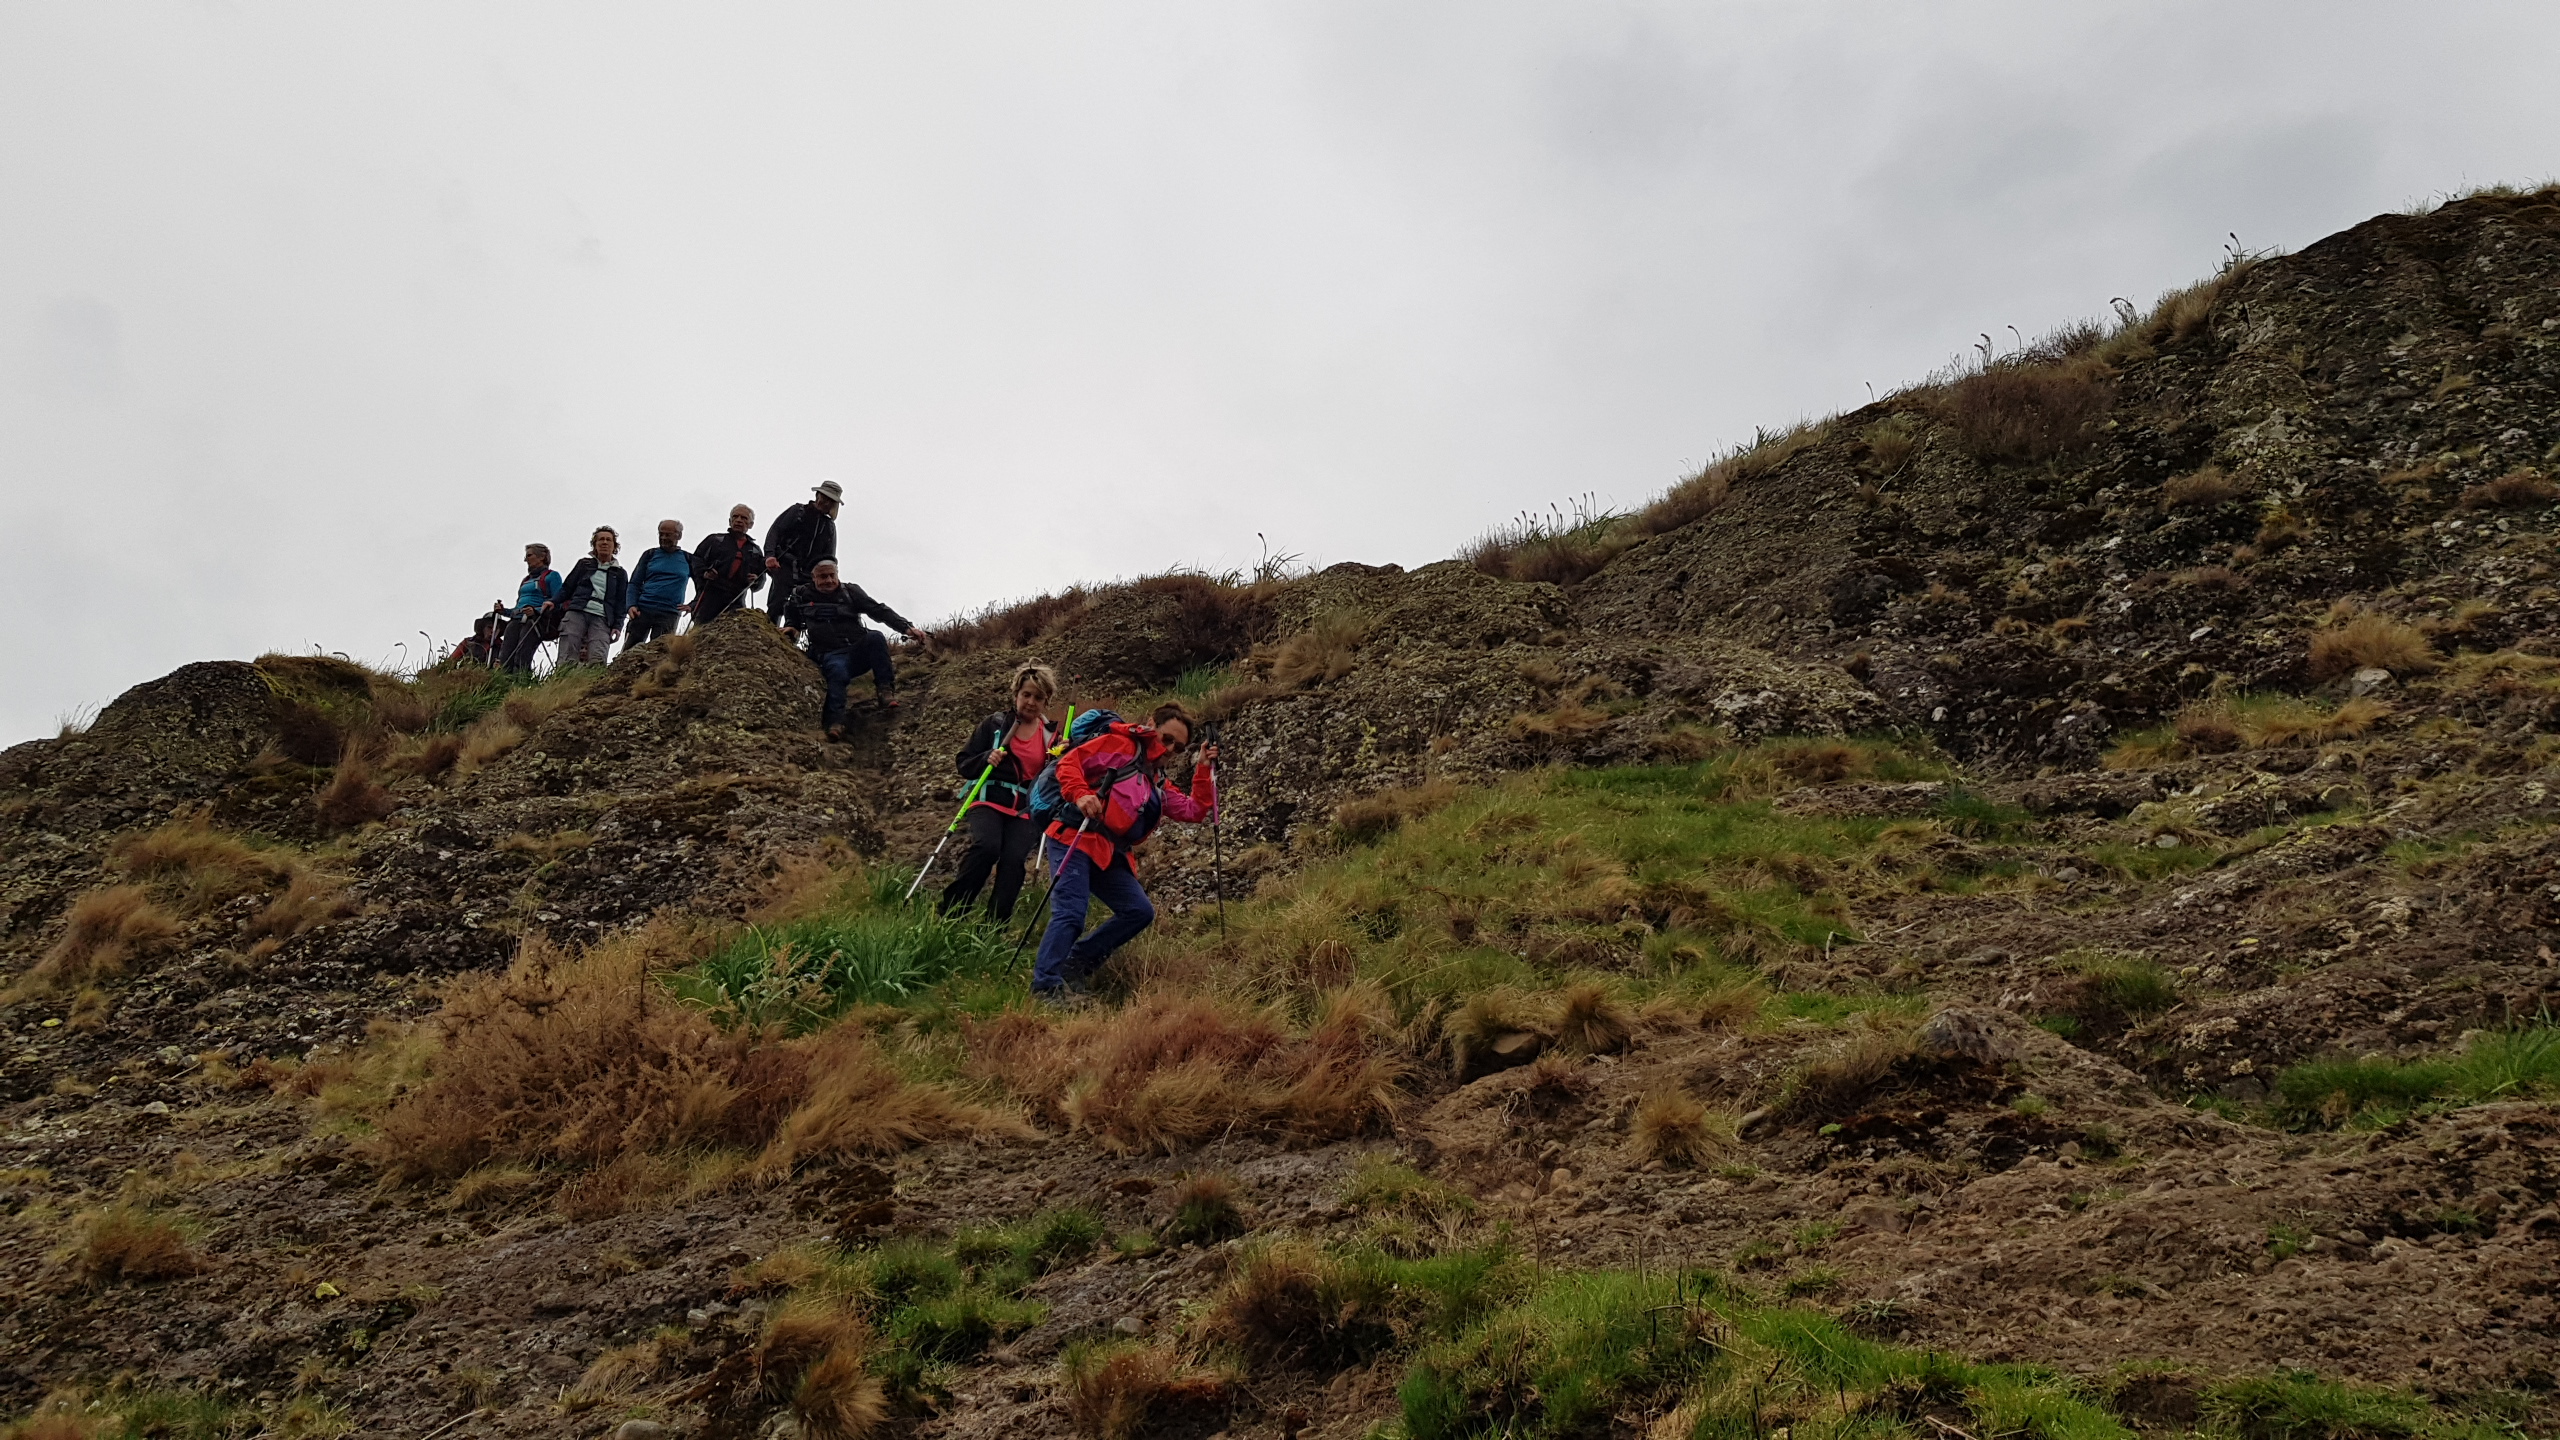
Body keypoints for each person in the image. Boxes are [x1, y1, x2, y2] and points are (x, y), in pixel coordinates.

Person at [1031, 702, 1218, 1003]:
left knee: (1138, 911)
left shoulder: (1157, 781)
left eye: (1179, 747)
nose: (1170, 749)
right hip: (1074, 835)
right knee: (1071, 913)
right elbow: (1070, 764)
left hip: (1108, 852)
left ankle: (1075, 964)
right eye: (1167, 739)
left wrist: (1204, 767)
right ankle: (1046, 986)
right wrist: (1081, 794)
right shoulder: (1120, 746)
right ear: (1151, 725)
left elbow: (1193, 810)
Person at [938, 664, 1062, 922]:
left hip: (1025, 808)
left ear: (1046, 701)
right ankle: (951, 912)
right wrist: (986, 757)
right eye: (1026, 694)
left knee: (1014, 860)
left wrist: (1063, 756)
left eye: (1038, 697)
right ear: (1016, 694)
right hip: (989, 799)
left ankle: (994, 926)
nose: (1031, 702)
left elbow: (1054, 777)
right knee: (987, 847)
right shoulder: (994, 725)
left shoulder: (1052, 737)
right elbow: (964, 763)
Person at [780, 559, 929, 737]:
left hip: (857, 650)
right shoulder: (800, 596)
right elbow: (792, 618)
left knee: (875, 637)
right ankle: (835, 723)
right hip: (829, 654)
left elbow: (878, 610)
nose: (829, 580)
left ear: (837, 574)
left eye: (832, 575)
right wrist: (791, 627)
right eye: (823, 577)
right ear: (813, 577)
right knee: (837, 672)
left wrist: (906, 628)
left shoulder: (850, 591)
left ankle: (885, 691)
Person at [763, 480, 842, 622]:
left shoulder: (829, 526)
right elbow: (775, 532)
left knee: (802, 610)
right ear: (817, 495)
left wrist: (826, 577)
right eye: (824, 497)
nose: (825, 502)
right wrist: (770, 556)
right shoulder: (797, 511)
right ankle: (770, 630)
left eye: (830, 501)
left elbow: (829, 556)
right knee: (777, 604)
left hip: (809, 574)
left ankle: (791, 634)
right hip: (785, 565)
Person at [548, 526, 628, 665]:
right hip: (577, 610)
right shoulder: (584, 565)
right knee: (568, 650)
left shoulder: (620, 573)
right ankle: (563, 676)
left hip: (603, 616)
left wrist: (618, 625)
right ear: (595, 545)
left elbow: (621, 602)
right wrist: (553, 601)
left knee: (598, 655)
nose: (604, 542)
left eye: (608, 540)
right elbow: (567, 587)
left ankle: (593, 678)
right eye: (600, 540)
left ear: (614, 546)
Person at [690, 504, 766, 626]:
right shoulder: (714, 540)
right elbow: (696, 560)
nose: (739, 520)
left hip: (737, 598)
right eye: (735, 517)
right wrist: (705, 572)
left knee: (733, 631)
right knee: (702, 630)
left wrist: (755, 581)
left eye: (744, 518)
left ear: (751, 524)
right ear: (730, 521)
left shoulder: (755, 550)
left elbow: (761, 577)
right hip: (710, 595)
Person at [625, 518, 691, 648]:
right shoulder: (649, 554)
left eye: (668, 534)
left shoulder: (688, 559)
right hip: (643, 610)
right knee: (630, 651)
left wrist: (693, 604)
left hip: (669, 613)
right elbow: (634, 583)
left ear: (679, 536)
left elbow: (702, 583)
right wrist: (631, 605)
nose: (663, 538)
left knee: (660, 652)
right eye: (661, 534)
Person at [498, 544, 561, 673]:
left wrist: (536, 610)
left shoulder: (552, 576)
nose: (525, 559)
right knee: (505, 655)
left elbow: (558, 601)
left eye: (529, 555)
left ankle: (522, 680)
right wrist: (504, 611)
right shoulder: (525, 580)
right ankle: (506, 681)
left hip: (536, 620)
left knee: (523, 654)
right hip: (517, 619)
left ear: (542, 557)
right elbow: (518, 607)